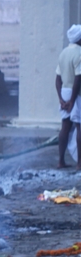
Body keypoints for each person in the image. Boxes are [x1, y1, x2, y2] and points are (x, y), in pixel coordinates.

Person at [56, 24, 81, 170]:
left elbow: (57, 79)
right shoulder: (80, 53)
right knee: (79, 127)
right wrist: (72, 100)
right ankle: (79, 163)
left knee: (65, 126)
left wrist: (61, 98)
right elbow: (79, 78)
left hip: (65, 91)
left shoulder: (63, 53)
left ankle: (61, 161)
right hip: (76, 94)